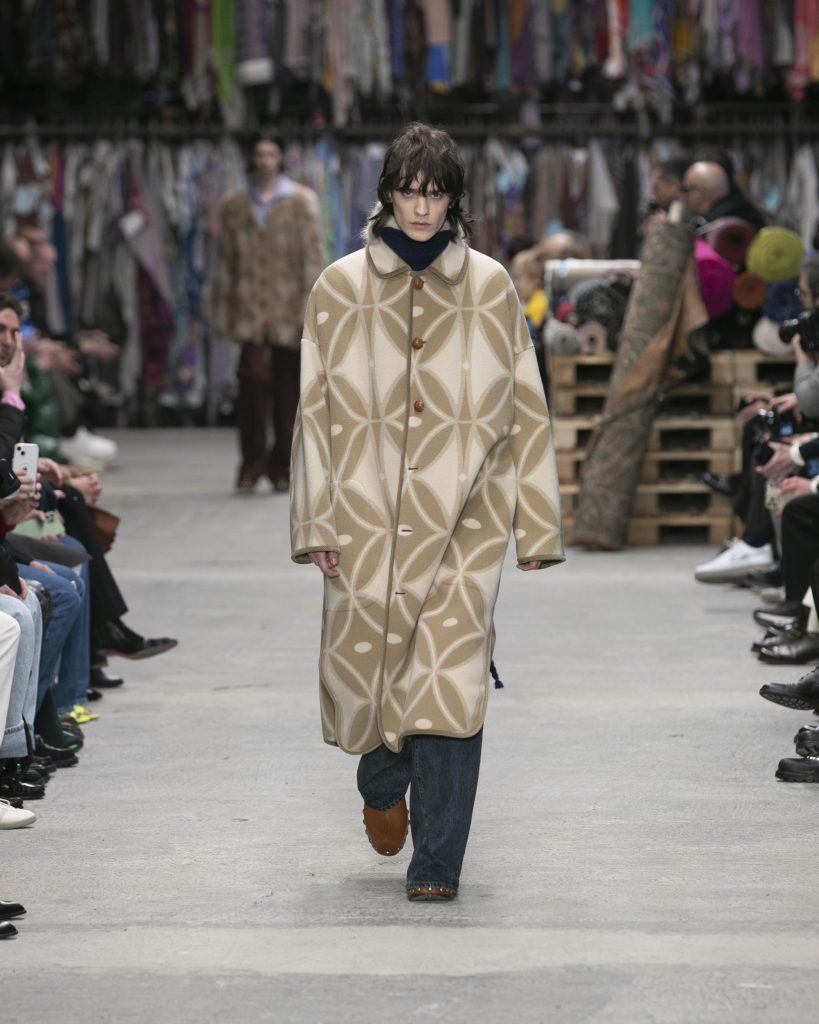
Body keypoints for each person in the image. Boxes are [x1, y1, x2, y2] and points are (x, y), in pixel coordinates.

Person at [289, 122, 565, 902]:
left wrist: (536, 524)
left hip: (464, 516)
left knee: (450, 685)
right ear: (386, 193)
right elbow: (312, 409)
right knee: (373, 681)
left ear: (453, 200)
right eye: (408, 191)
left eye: (435, 192)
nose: (420, 207)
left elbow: (526, 406)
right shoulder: (339, 286)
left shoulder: (489, 286)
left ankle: (436, 863)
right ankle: (382, 781)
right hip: (363, 510)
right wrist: (314, 520)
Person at [210, 131, 326, 493]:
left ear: (281, 158)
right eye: (260, 154)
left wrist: (315, 309)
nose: (265, 161)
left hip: (288, 306)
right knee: (252, 382)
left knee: (288, 391)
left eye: (271, 154)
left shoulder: (301, 202)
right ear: (252, 159)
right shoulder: (235, 204)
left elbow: (313, 257)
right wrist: (222, 311)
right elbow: (225, 262)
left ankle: (282, 466)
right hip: (248, 306)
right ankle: (251, 462)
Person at [681, 158, 766, 232]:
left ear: (700, 193)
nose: (683, 195)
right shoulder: (748, 212)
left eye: (685, 189)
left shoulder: (714, 230)